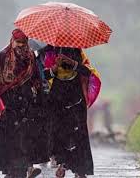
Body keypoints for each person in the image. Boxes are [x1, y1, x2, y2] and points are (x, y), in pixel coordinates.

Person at [0, 29, 49, 178]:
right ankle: (13, 170)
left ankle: (27, 166)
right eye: (18, 43)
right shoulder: (3, 56)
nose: (21, 46)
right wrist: (1, 101)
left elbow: (36, 78)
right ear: (12, 41)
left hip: (27, 101)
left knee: (26, 135)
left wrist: (39, 95)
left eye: (23, 43)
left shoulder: (30, 56)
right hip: (10, 101)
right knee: (11, 137)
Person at [43, 46, 101, 178]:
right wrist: (55, 66)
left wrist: (72, 62)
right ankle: (61, 164)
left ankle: (79, 170)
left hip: (76, 100)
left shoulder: (78, 52)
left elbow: (86, 72)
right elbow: (45, 75)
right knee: (59, 132)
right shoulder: (51, 52)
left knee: (79, 134)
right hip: (57, 100)